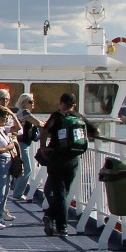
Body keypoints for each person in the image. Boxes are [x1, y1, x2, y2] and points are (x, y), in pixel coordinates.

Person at [36, 92, 91, 237]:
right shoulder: (78, 117)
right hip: (72, 159)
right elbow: (94, 131)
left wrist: (43, 147)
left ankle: (61, 225)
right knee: (64, 191)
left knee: (59, 192)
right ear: (75, 105)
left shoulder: (57, 116)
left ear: (61, 103)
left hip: (56, 158)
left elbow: (44, 131)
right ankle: (54, 219)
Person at [11, 93, 43, 203]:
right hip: (22, 144)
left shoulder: (19, 112)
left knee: (21, 168)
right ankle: (18, 193)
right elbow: (38, 123)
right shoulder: (25, 112)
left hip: (20, 143)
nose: (33, 103)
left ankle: (15, 189)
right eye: (31, 101)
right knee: (27, 169)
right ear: (24, 103)